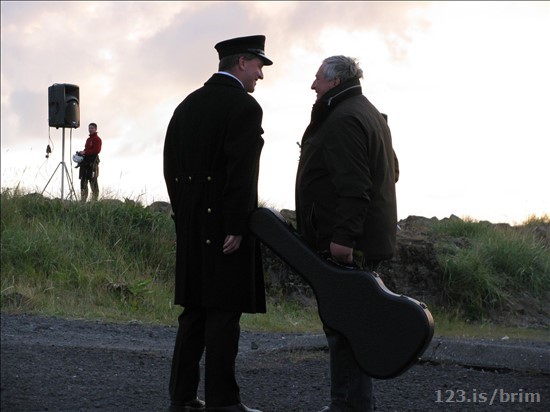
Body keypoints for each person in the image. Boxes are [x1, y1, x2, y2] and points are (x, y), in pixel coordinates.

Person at [163, 35, 273, 412]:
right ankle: (224, 402)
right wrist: (236, 225)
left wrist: (184, 217)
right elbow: (241, 172)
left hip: (193, 224)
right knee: (224, 315)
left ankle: (182, 396)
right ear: (241, 62)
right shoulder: (244, 107)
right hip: (226, 226)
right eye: (258, 65)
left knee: (193, 312)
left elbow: (170, 167)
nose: (260, 74)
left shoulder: (187, 104)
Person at [295, 56, 399, 412]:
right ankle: (348, 404)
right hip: (364, 240)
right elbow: (392, 171)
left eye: (317, 80)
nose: (313, 86)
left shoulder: (344, 118)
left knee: (347, 328)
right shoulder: (365, 111)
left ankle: (349, 406)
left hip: (350, 243)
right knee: (348, 326)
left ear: (335, 82)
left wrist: (343, 240)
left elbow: (356, 187)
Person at [77, 122, 102, 202]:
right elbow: (86, 149)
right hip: (85, 163)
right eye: (89, 128)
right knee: (83, 181)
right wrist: (82, 152)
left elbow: (97, 150)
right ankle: (83, 200)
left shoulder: (97, 139)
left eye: (92, 128)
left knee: (93, 181)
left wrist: (85, 152)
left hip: (92, 163)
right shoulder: (88, 139)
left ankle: (94, 201)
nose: (90, 130)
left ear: (95, 129)